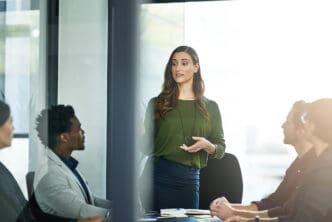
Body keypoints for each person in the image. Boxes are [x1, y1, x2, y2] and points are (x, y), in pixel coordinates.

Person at [140, 45, 226, 211]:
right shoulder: (157, 103)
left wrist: (207, 145)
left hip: (189, 181)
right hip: (158, 179)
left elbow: (220, 148)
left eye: (184, 63)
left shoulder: (211, 107)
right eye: (174, 63)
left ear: (196, 67)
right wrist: (139, 133)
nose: (178, 68)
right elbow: (146, 148)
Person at [222, 98, 332, 222]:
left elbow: (304, 219)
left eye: (308, 120)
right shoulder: (315, 164)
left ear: (314, 125)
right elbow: (287, 210)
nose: (304, 124)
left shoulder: (325, 168)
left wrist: (247, 219)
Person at [0, 101, 104, 222]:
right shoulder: (50, 174)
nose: (13, 127)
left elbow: (28, 214)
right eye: (10, 122)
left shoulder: (2, 169)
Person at [34, 105, 111, 221]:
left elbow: (91, 200)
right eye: (79, 129)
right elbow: (81, 211)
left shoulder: (65, 164)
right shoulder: (49, 174)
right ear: (64, 137)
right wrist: (117, 214)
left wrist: (120, 208)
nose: (83, 132)